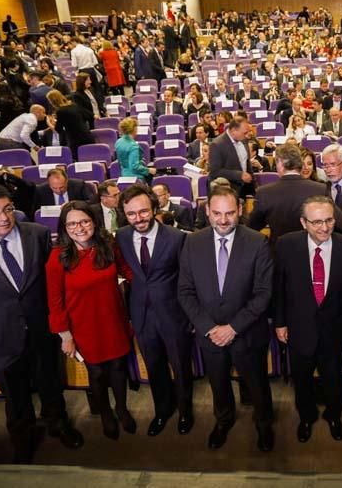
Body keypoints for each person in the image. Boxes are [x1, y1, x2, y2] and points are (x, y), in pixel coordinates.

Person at [0, 183, 83, 463]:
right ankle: (23, 436)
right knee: (14, 395)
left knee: (50, 383)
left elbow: (52, 284)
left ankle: (58, 423)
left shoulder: (39, 234)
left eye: (8, 208)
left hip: (41, 331)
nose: (4, 217)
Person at [178, 186, 275, 452]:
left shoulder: (258, 242)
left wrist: (233, 328)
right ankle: (223, 420)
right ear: (207, 211)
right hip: (209, 336)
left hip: (247, 334)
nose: (223, 220)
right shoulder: (192, 242)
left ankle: (264, 423)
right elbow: (185, 292)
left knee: (257, 386)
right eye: (217, 213)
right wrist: (209, 328)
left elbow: (263, 294)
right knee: (218, 384)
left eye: (230, 213)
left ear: (240, 210)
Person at [273, 196, 342, 443]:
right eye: (316, 222)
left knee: (334, 376)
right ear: (303, 223)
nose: (324, 227)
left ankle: (334, 416)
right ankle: (306, 417)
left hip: (336, 327)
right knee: (301, 378)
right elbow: (278, 288)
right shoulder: (285, 245)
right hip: (299, 327)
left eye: (329, 220)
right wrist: (280, 322)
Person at [46, 201, 134, 440]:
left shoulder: (107, 245)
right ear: (64, 228)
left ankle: (122, 408)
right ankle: (105, 413)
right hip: (84, 326)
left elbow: (127, 270)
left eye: (84, 221)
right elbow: (55, 301)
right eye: (72, 223)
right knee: (96, 373)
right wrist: (65, 337)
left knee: (118, 368)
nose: (79, 228)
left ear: (94, 221)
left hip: (113, 320)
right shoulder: (57, 257)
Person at [116, 185, 194, 437]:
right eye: (131, 214)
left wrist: (190, 315)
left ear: (154, 208)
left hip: (173, 314)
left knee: (181, 367)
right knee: (154, 365)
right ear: (124, 215)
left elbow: (186, 280)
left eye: (143, 212)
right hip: (141, 314)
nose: (138, 218)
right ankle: (163, 410)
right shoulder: (122, 237)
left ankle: (185, 411)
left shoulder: (177, 237)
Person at [248, 144, 326, 246]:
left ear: (280, 163)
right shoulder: (320, 189)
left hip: (278, 253)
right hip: (312, 252)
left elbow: (252, 226)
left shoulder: (264, 192)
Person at [209, 116, 255, 197]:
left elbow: (247, 164)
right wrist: (239, 175)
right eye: (244, 133)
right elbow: (215, 172)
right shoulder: (217, 144)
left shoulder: (243, 140)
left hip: (246, 190)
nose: (247, 135)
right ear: (233, 130)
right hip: (227, 192)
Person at [46, 89, 94, 160]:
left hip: (76, 141)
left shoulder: (60, 111)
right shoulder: (74, 105)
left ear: (52, 102)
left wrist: (49, 123)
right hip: (87, 136)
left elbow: (58, 129)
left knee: (79, 161)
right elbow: (87, 116)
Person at [115, 117, 156, 182]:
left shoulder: (119, 142)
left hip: (124, 176)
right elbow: (135, 166)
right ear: (134, 129)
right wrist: (149, 170)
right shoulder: (133, 146)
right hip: (136, 178)